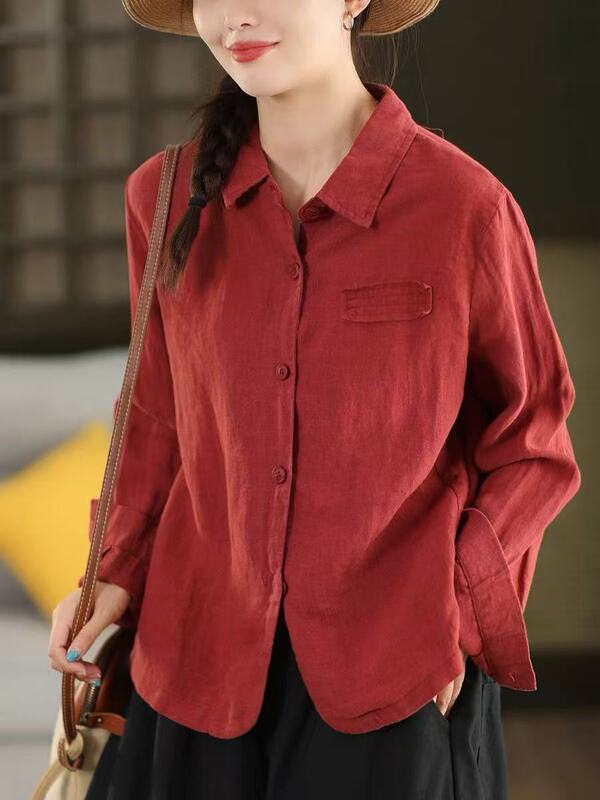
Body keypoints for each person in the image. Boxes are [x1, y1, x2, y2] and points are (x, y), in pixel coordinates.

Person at [47, 1, 581, 798]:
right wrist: (112, 573)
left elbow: (533, 445)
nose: (236, 16)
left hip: (394, 675)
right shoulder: (161, 196)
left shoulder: (463, 205)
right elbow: (158, 416)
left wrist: (460, 612)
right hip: (192, 663)